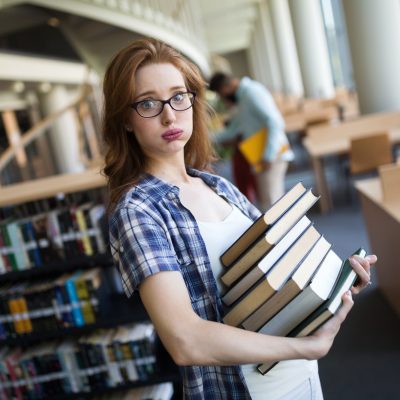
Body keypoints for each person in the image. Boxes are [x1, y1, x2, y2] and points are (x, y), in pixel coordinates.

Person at [102, 38, 376, 400]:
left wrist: (334, 285)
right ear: (125, 119)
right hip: (245, 390)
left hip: (302, 379)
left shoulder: (218, 185)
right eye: (148, 103)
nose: (169, 114)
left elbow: (276, 272)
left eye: (178, 96)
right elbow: (186, 340)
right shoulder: (138, 211)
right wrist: (306, 348)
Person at [209, 72, 294, 211]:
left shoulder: (251, 93)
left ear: (227, 86)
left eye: (221, 94)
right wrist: (203, 137)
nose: (223, 99)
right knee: (268, 202)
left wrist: (268, 155)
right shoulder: (243, 98)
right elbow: (233, 130)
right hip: (260, 156)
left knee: (273, 205)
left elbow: (275, 122)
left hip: (271, 156)